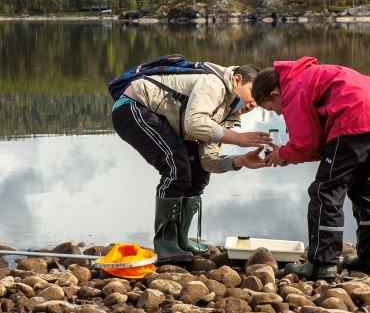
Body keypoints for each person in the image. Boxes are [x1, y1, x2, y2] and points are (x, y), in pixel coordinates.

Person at [251, 57, 370, 281]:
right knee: (363, 186)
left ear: (274, 94)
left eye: (271, 108)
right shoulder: (307, 77)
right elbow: (322, 145)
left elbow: (305, 143)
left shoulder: (292, 88)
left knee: (325, 190)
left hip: (352, 116)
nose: (278, 113)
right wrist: (286, 156)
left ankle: (323, 263)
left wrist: (283, 154)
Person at [111, 60, 272, 265]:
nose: (253, 104)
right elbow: (194, 123)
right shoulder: (213, 83)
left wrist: (240, 160)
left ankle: (180, 239)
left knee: (197, 174)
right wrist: (238, 138)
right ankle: (165, 243)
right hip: (132, 107)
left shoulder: (227, 113)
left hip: (157, 118)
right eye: (253, 93)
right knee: (176, 167)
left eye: (258, 101)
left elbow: (208, 161)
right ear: (237, 79)